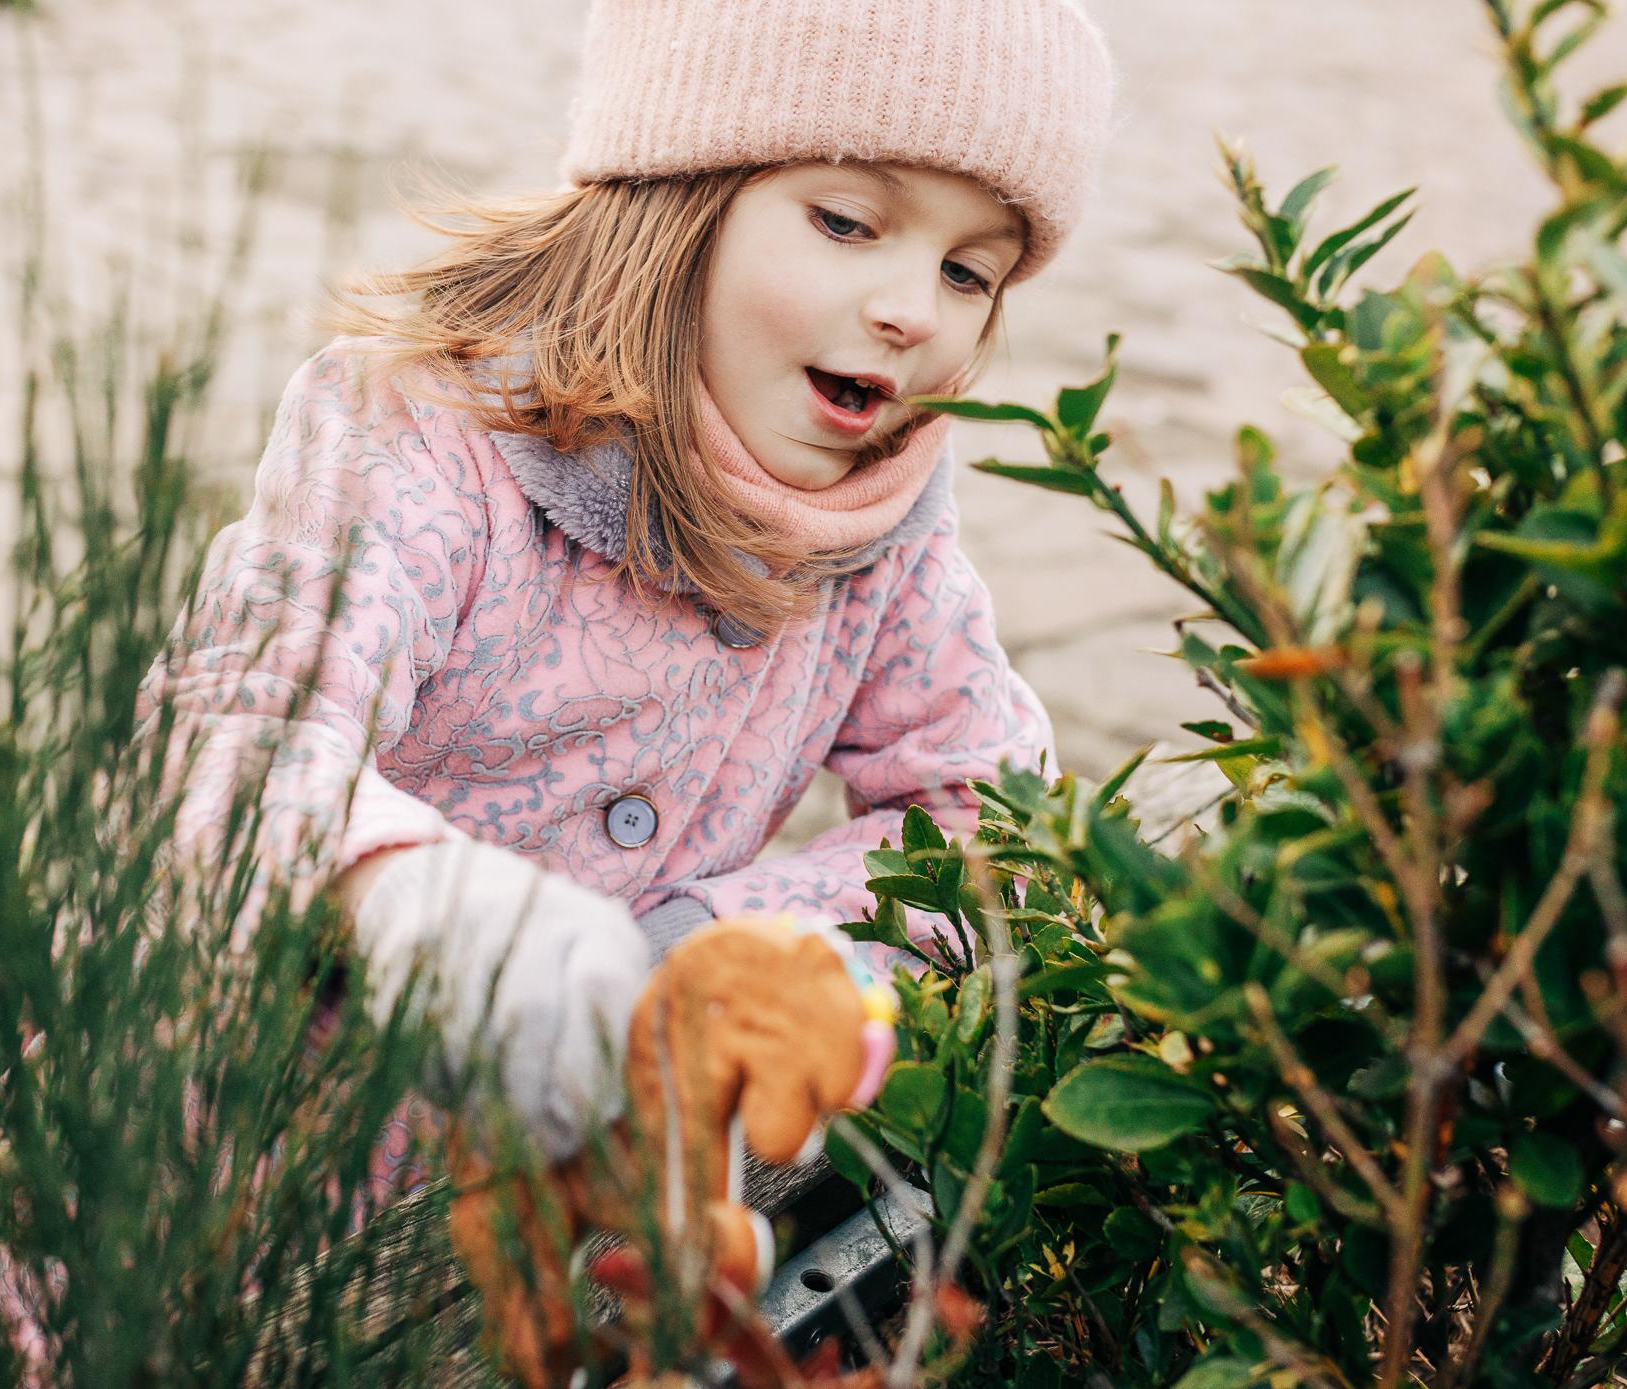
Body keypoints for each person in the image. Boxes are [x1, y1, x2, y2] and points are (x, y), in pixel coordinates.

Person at [133, 0, 1114, 1178]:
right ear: (674, 195)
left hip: (517, 1255)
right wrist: (400, 897)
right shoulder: (419, 432)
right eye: (847, 221)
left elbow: (993, 829)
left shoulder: (887, 542)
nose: (911, 310)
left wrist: (728, 946)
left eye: (968, 272)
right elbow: (235, 731)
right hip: (183, 1170)